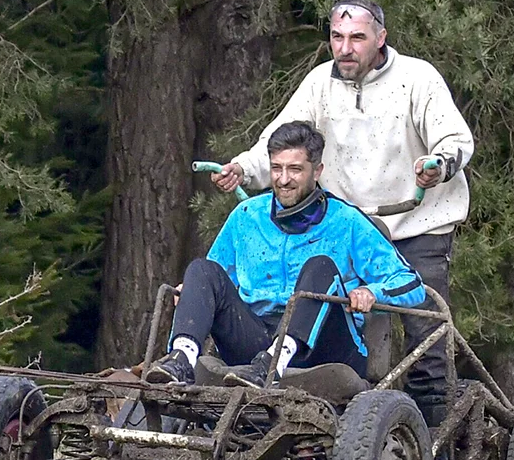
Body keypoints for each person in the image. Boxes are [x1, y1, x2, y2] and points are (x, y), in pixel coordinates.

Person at [211, 0, 473, 423]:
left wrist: (437, 165)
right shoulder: (319, 84)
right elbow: (280, 142)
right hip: (346, 226)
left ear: (381, 38)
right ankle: (341, 424)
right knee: (318, 302)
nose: (345, 48)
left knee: (426, 340)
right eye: (337, 37)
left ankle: (435, 456)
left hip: (418, 224)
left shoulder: (417, 78)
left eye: (357, 37)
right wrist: (243, 168)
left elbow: (456, 139)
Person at [147, 122, 427, 386]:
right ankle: (181, 359)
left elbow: (412, 283)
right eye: (276, 168)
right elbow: (215, 278)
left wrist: (373, 292)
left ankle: (273, 364)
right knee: (201, 269)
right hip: (255, 341)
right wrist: (193, 291)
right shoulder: (246, 216)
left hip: (325, 347)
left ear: (317, 171)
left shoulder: (347, 221)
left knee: (320, 267)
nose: (283, 179)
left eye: (295, 169)